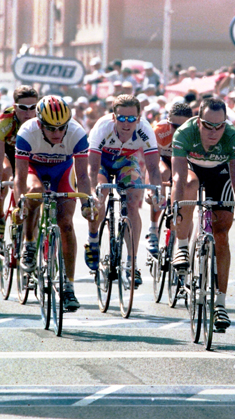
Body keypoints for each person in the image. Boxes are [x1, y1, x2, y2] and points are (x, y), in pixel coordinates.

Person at [171, 97, 235, 331]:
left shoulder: (232, 136)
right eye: (208, 125)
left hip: (221, 176)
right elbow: (177, 177)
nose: (214, 131)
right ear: (198, 121)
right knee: (188, 186)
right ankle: (183, 247)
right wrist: (176, 206)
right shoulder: (185, 133)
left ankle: (220, 304)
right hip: (192, 171)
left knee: (221, 234)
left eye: (219, 126)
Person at [14, 95, 93, 312]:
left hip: (62, 171)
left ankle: (68, 285)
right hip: (34, 169)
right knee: (34, 193)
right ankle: (29, 244)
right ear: (40, 124)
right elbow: (19, 177)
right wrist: (20, 203)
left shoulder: (77, 133)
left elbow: (83, 176)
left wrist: (87, 202)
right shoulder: (27, 132)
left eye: (62, 128)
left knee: (66, 223)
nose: (58, 133)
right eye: (51, 129)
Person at [84, 94, 162, 286]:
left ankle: (132, 263)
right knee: (99, 197)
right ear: (114, 117)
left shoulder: (145, 130)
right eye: (121, 118)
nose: (126, 123)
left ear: (138, 118)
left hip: (126, 162)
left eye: (131, 118)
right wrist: (93, 192)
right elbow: (92, 170)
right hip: (101, 163)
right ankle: (93, 240)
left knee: (134, 202)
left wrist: (156, 191)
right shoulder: (102, 128)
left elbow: (153, 168)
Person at [0, 85, 39, 248]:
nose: (28, 112)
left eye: (33, 108)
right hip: (7, 154)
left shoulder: (42, 119)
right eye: (23, 108)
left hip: (30, 156)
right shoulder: (4, 121)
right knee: (5, 171)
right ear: (15, 106)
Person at [145, 102, 192, 254]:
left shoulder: (196, 132)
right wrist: (151, 189)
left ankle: (182, 249)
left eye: (182, 127)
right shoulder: (159, 130)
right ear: (168, 121)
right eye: (174, 126)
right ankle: (153, 229)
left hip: (184, 164)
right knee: (162, 176)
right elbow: (152, 165)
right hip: (165, 162)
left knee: (187, 202)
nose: (178, 130)